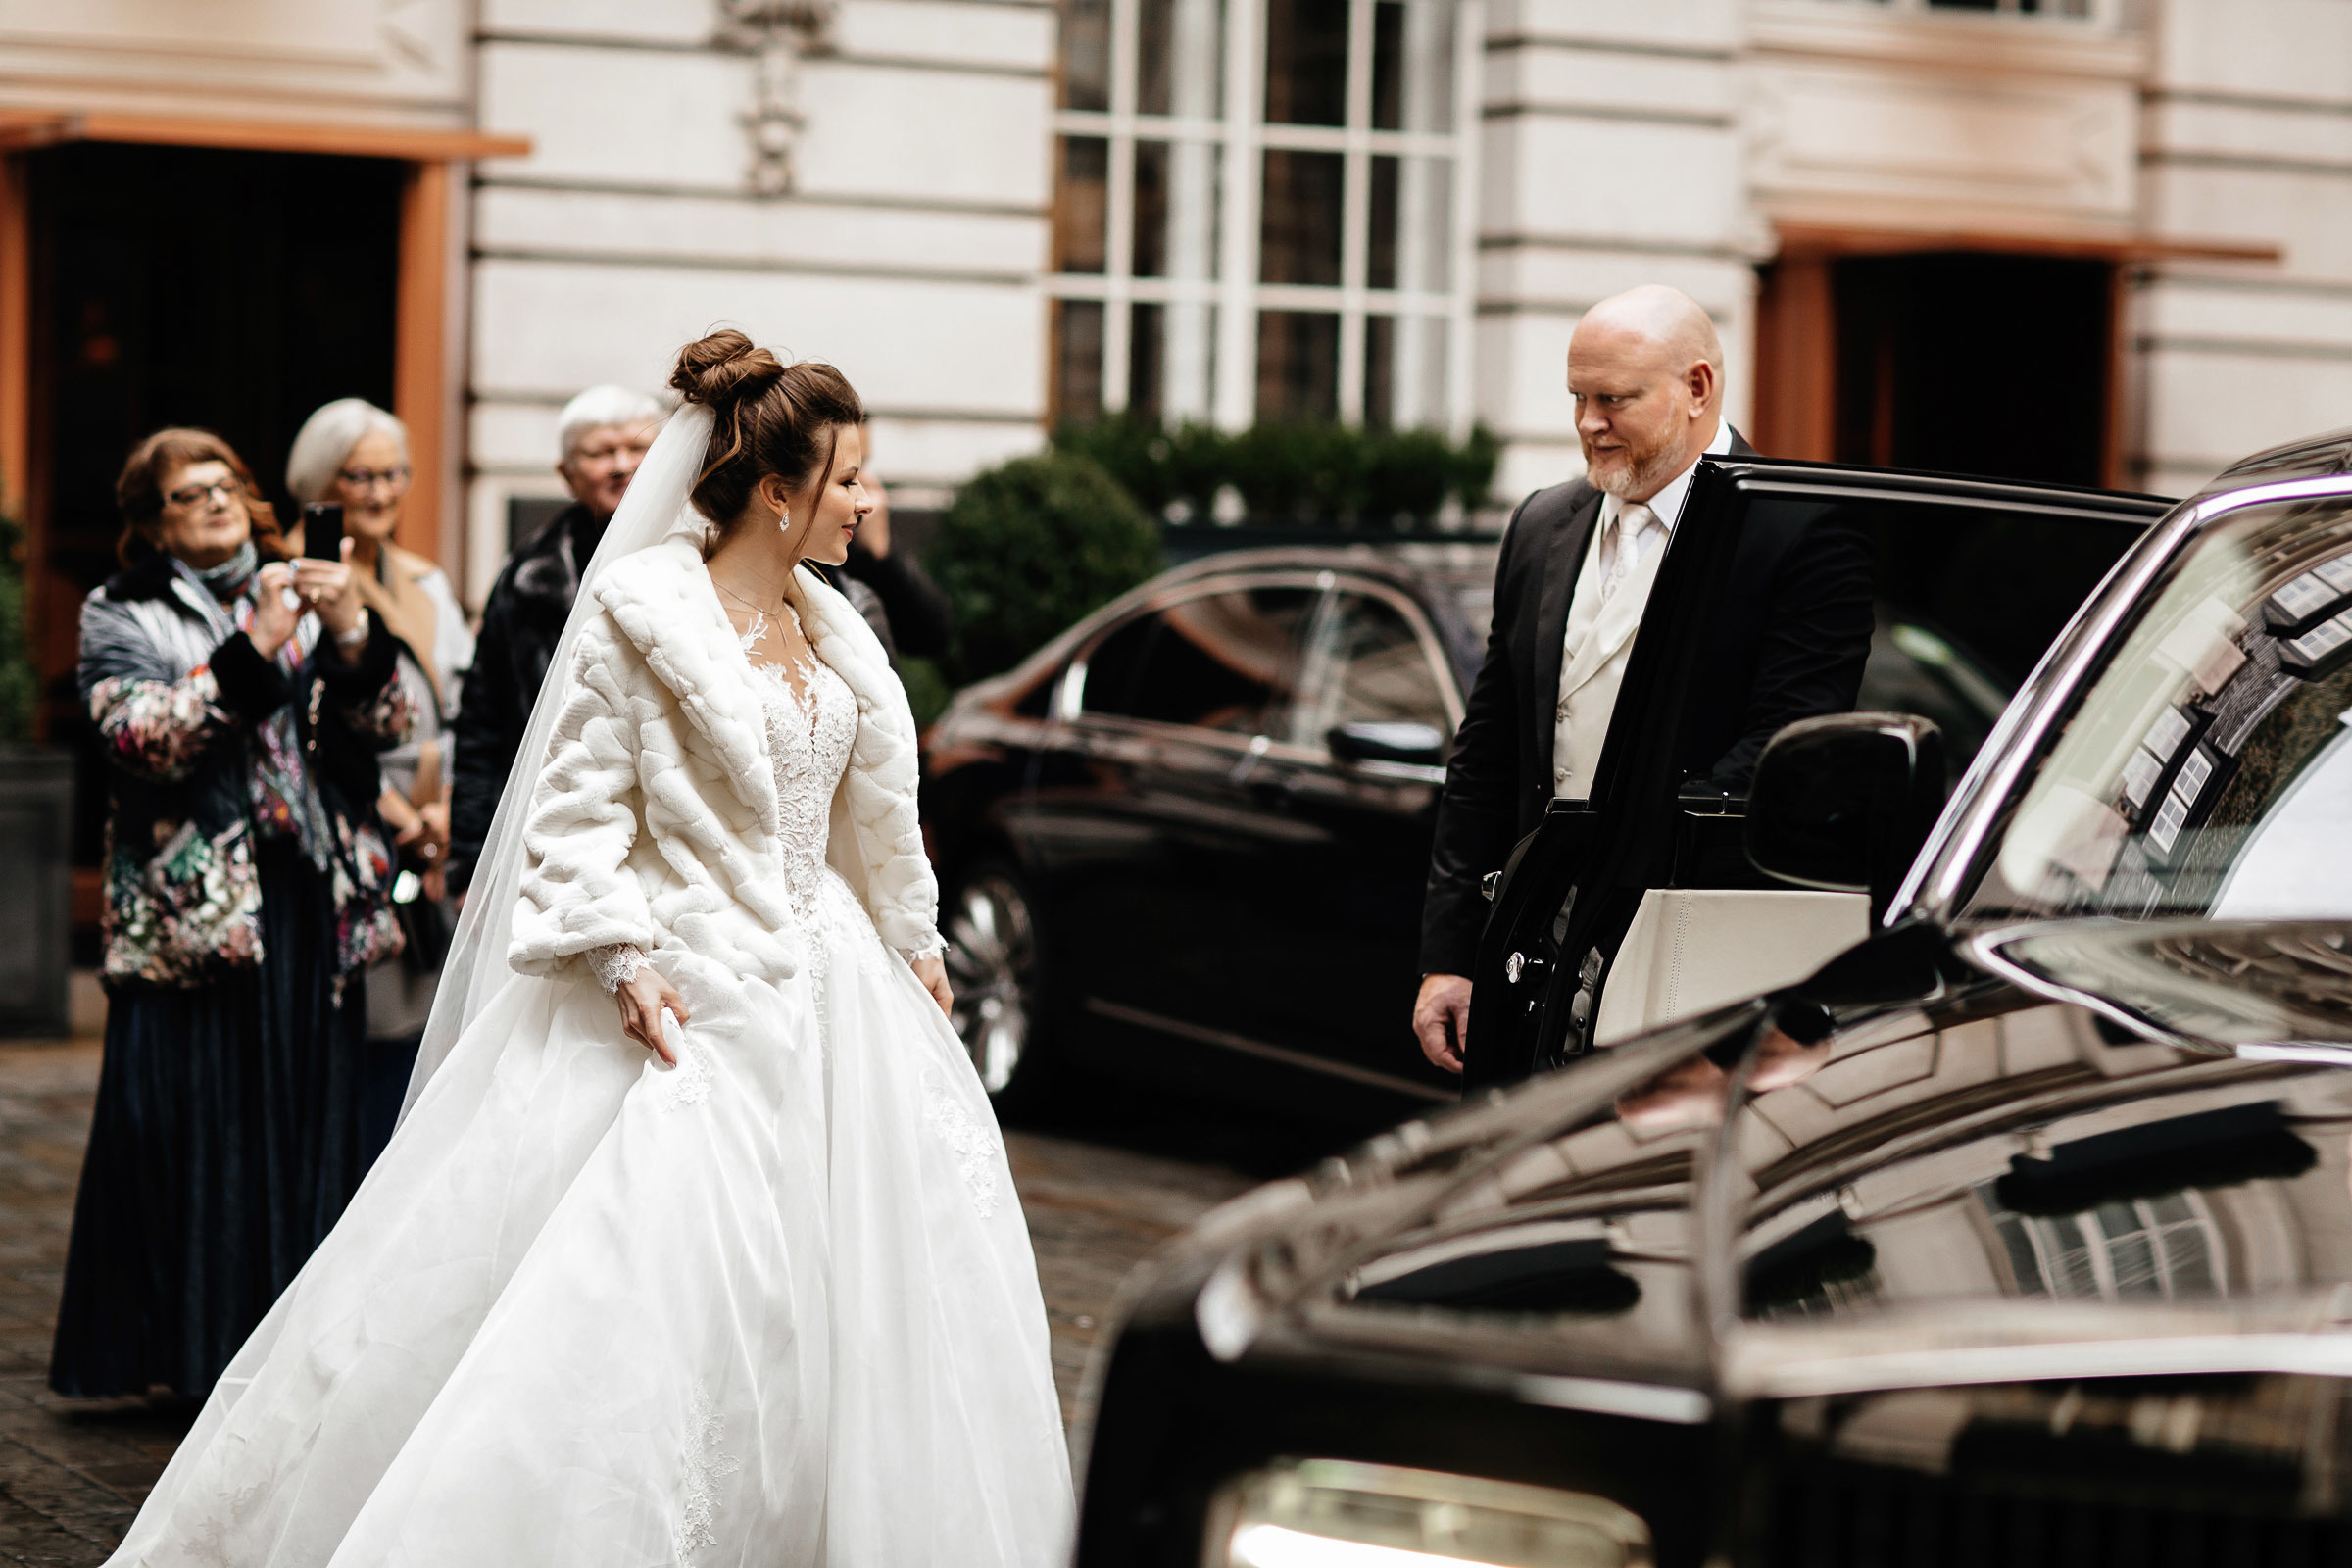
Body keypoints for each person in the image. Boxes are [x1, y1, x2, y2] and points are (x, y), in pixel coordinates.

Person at [102, 331, 1072, 1566]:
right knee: (653, 1293)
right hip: (692, 992)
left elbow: (875, 817)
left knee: (879, 1298)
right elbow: (574, 819)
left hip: (844, 998)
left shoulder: (837, 630)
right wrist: (621, 955)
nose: (873, 504)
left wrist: (914, 937)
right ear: (779, 491)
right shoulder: (643, 616)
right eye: (853, 480)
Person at [1413, 285, 1871, 1079]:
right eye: (1577, 398)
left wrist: (1619, 870)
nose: (1588, 423)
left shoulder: (1802, 527)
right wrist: (1452, 953)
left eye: (1613, 399)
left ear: (1697, 388)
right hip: (1526, 952)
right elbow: (1487, 750)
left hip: (1691, 965)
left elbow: (1783, 748)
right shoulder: (1540, 524)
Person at [53, 428, 414, 1402]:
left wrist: (346, 633)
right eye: (185, 494)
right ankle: (188, 1354)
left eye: (225, 486)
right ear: (150, 521)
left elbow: (388, 727)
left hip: (304, 901)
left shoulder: (312, 583)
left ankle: (297, 1355)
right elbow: (146, 737)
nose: (212, 503)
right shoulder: (117, 609)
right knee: (188, 1125)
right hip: (193, 910)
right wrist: (254, 643)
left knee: (305, 1121)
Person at [285, 398, 475, 1156]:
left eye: (393, 474)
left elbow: (466, 705)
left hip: (434, 825)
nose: (378, 492)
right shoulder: (297, 581)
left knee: (422, 1033)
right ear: (320, 481)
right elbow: (307, 723)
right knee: (363, 1027)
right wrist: (393, 810)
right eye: (358, 475)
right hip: (350, 821)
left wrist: (446, 813)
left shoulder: (427, 582)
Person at [448, 385, 662, 894]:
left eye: (636, 449)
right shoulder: (528, 578)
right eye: (599, 453)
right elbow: (484, 719)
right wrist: (469, 861)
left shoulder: (700, 554)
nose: (620, 464)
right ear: (567, 474)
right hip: (550, 823)